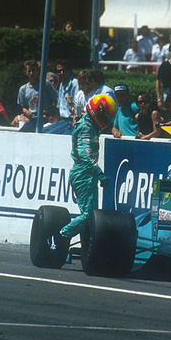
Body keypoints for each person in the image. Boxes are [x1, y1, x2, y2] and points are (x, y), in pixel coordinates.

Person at [56, 94, 118, 253]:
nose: (107, 120)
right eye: (105, 116)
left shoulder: (90, 125)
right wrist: (99, 172)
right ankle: (60, 236)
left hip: (87, 174)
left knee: (92, 216)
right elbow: (85, 153)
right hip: (83, 174)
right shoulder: (85, 127)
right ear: (97, 111)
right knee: (89, 216)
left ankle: (87, 248)